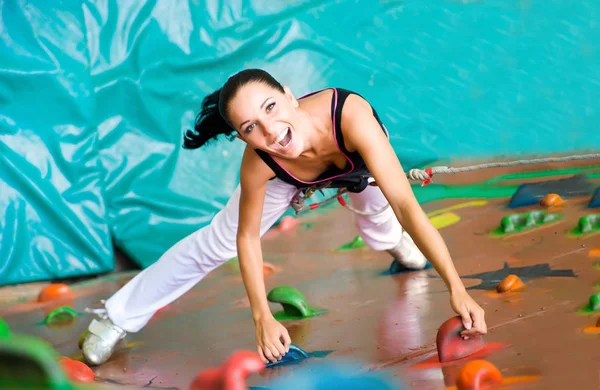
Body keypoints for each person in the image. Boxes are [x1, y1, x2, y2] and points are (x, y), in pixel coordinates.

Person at [81, 69, 487, 366]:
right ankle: (116, 317)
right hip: (287, 177)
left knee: (382, 218)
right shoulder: (260, 162)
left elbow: (406, 204)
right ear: (243, 138)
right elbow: (247, 238)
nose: (271, 130)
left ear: (290, 95)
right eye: (251, 127)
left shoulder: (350, 116)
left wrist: (456, 285)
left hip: (357, 165)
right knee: (218, 240)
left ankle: (393, 243)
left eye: (271, 107)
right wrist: (262, 315)